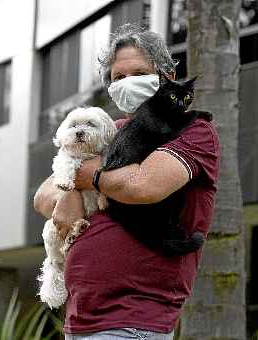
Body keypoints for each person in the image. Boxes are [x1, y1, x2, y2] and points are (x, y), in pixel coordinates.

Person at [34, 24, 220, 340]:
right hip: (81, 320)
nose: (127, 83)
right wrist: (71, 195)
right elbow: (42, 197)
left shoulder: (193, 132)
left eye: (138, 72)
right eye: (118, 78)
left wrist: (85, 177)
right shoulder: (108, 131)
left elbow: (142, 186)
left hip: (134, 321)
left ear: (167, 77)